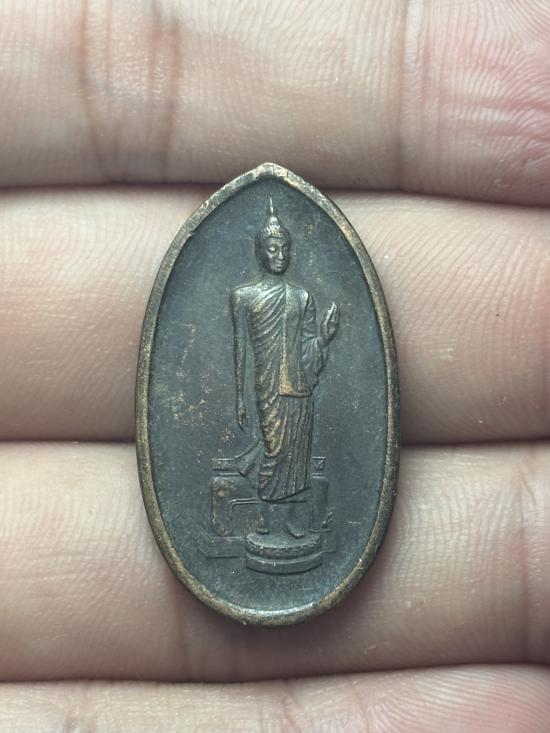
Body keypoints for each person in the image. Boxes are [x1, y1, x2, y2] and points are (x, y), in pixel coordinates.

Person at [230, 201, 338, 537]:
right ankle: (265, 513)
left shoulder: (301, 297)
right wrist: (239, 398)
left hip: (299, 387)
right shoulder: (242, 296)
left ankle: (291, 517)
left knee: (296, 454)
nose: (280, 255)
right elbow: (240, 348)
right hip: (267, 387)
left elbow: (308, 348)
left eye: (284, 248)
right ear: (260, 252)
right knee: (274, 448)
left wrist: (324, 337)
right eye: (272, 249)